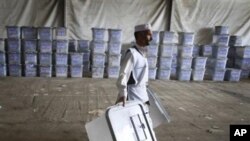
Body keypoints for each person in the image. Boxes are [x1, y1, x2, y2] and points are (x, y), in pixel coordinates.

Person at [115, 23, 157, 140]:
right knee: (131, 127)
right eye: (149, 35)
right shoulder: (132, 54)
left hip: (142, 97)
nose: (151, 38)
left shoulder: (142, 55)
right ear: (140, 35)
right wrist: (123, 94)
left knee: (144, 126)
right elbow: (123, 75)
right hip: (132, 98)